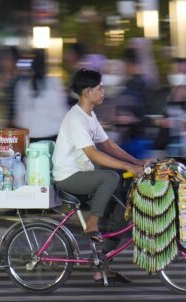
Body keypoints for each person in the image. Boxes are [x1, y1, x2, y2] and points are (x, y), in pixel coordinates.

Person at [52, 69, 144, 284]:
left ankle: (102, 266)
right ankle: (91, 226)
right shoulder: (75, 119)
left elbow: (107, 144)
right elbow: (94, 154)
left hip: (83, 175)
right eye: (100, 88)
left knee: (122, 212)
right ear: (87, 92)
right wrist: (126, 166)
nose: (103, 91)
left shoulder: (89, 115)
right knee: (110, 178)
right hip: (68, 177)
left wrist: (136, 162)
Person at [8, 49, 67, 142]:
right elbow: (61, 111)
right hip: (52, 133)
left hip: (28, 134)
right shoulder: (55, 82)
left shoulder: (22, 84)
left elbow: (19, 113)